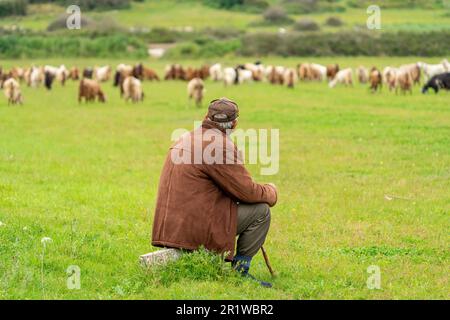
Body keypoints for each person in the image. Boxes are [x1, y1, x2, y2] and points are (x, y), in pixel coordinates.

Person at [152, 98, 278, 287]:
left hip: (169, 228)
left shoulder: (184, 137)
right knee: (260, 211)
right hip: (193, 230)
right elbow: (247, 192)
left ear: (206, 117)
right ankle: (240, 274)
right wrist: (271, 192)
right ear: (235, 124)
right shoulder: (220, 146)